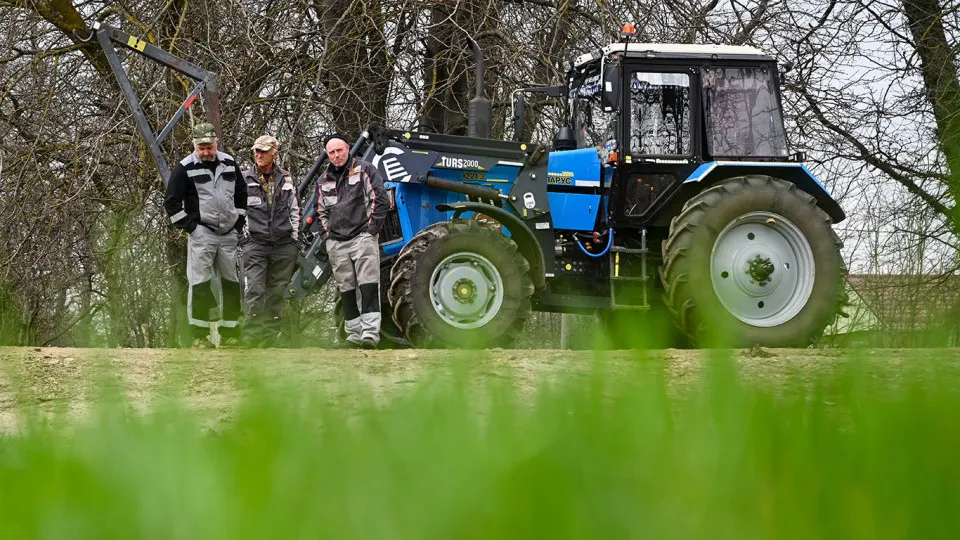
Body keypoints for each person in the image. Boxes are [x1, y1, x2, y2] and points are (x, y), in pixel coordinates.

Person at [164, 122, 246, 347]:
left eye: (209, 146)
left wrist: (239, 221)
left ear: (216, 142)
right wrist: (191, 227)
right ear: (194, 145)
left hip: (229, 234)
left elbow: (241, 193)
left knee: (231, 282)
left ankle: (231, 333)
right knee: (199, 283)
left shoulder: (229, 162)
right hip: (202, 233)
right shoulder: (184, 167)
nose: (206, 152)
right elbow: (171, 202)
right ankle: (199, 335)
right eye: (201, 148)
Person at [317, 134, 390, 348]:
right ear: (327, 155)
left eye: (339, 150)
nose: (336, 155)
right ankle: (353, 335)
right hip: (337, 243)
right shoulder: (323, 181)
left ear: (348, 148)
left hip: (362, 237)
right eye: (331, 152)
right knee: (346, 289)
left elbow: (380, 200)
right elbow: (320, 212)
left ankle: (370, 334)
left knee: (368, 286)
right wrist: (327, 237)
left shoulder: (365, 169)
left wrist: (371, 231)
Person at [238, 134, 300, 347]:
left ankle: (270, 337)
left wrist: (294, 239)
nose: (259, 155)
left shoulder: (287, 178)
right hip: (255, 244)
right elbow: (238, 211)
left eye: (263, 151)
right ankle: (251, 336)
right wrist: (244, 239)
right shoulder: (244, 178)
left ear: (275, 153)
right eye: (256, 151)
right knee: (254, 289)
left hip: (283, 245)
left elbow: (295, 209)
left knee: (276, 292)